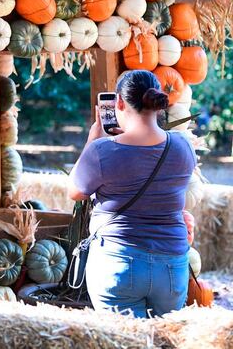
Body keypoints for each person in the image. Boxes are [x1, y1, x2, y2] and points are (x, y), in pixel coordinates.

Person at [68, 69, 197, 318]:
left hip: (118, 263)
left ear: (118, 102)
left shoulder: (102, 151)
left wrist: (92, 142)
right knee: (164, 341)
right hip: (172, 268)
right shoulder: (183, 146)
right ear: (157, 101)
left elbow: (75, 191)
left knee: (126, 342)